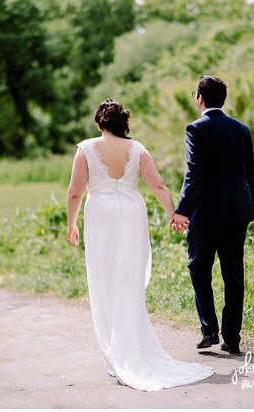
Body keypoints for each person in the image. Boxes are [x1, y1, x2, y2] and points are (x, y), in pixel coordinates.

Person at [66, 99, 213, 391]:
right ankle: (130, 345)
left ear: (99, 123)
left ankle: (115, 354)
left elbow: (74, 192)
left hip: (101, 216)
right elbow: (157, 184)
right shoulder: (138, 149)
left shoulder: (85, 149)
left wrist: (71, 224)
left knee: (104, 279)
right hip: (132, 213)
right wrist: (173, 213)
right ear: (123, 124)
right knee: (129, 278)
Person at [171, 75, 254, 355]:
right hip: (237, 211)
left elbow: (193, 172)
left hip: (206, 213)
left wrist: (182, 210)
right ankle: (232, 337)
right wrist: (248, 206)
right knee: (233, 273)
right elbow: (249, 173)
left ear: (200, 98)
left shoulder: (196, 129)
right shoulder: (241, 129)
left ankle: (209, 330)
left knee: (198, 268)